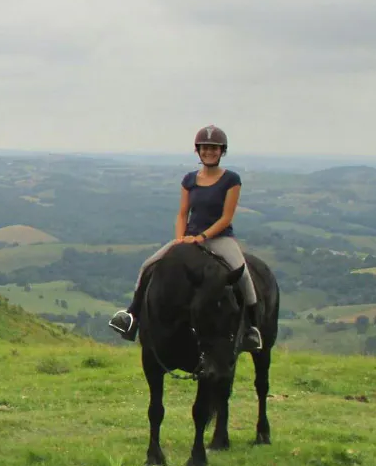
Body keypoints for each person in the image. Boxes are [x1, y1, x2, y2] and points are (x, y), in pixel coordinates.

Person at [109, 125, 263, 351]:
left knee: (244, 276)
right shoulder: (189, 179)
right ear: (198, 151)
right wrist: (180, 239)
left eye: (214, 148)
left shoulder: (232, 179)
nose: (209, 152)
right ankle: (131, 317)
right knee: (148, 266)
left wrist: (201, 237)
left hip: (219, 238)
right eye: (205, 148)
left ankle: (252, 329)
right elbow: (182, 213)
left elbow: (226, 217)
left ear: (222, 151)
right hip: (189, 237)